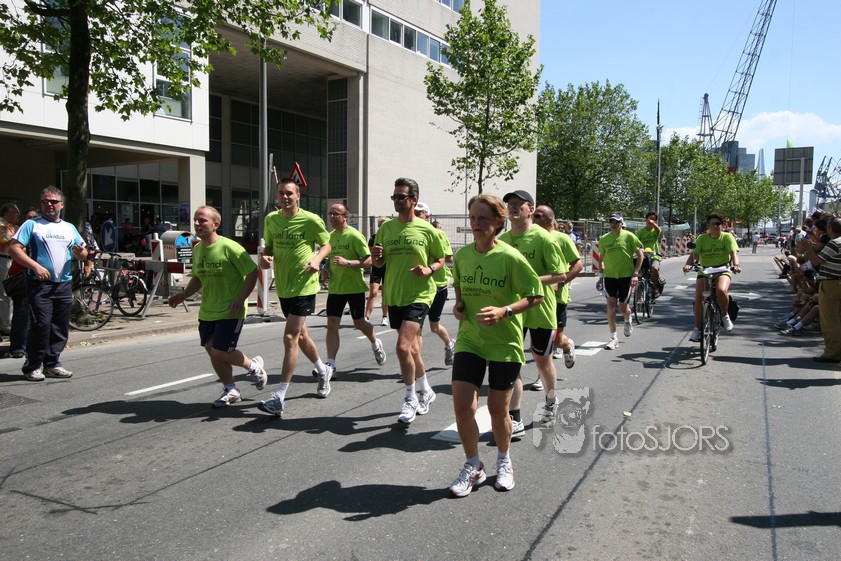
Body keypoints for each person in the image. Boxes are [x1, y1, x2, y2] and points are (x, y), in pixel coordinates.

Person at [448, 194, 543, 497]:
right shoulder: (463, 256)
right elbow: (459, 287)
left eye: (483, 218)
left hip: (504, 343)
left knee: (497, 410)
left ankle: (504, 460)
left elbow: (536, 295)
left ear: (498, 222)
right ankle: (473, 465)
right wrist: (459, 306)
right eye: (473, 218)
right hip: (470, 339)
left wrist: (505, 311)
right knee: (463, 406)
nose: (476, 223)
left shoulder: (510, 257)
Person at [167, 206, 268, 406]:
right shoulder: (197, 249)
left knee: (221, 351)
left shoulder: (229, 247)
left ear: (216, 224)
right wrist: (183, 295)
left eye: (202, 220)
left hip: (231, 309)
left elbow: (252, 272)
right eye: (195, 220)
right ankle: (231, 390)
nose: (197, 224)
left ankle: (254, 366)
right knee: (211, 349)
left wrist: (241, 298)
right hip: (208, 310)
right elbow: (198, 277)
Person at [371, 177, 445, 424]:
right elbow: (379, 263)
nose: (396, 201)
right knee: (412, 350)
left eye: (401, 197)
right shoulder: (386, 229)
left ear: (413, 200)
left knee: (403, 348)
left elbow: (441, 259)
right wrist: (376, 256)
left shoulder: (427, 230)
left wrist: (429, 269)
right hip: (395, 294)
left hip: (420, 294)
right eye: (394, 197)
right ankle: (426, 390)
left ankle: (410, 398)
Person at [257, 178, 333, 417]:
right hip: (284, 286)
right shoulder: (271, 219)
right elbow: (269, 247)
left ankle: (279, 396)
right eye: (281, 193)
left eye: (289, 193)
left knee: (290, 336)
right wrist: (265, 258)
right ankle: (323, 371)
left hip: (304, 285)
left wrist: (317, 259)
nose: (285, 197)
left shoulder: (310, 220)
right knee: (301, 336)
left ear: (298, 196)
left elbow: (327, 244)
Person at [499, 190, 567, 436]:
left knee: (542, 361)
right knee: (512, 362)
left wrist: (530, 281)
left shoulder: (543, 238)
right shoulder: (503, 240)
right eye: (510, 204)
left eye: (518, 204)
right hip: (514, 310)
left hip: (540, 309)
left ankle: (551, 401)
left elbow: (560, 274)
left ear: (530, 209)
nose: (513, 207)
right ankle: (514, 416)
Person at [8, 187, 87, 381]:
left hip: (63, 284)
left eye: (53, 201)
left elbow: (83, 252)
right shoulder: (32, 225)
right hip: (39, 284)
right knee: (41, 324)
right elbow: (14, 249)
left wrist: (81, 254)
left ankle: (52, 364)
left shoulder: (69, 227)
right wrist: (35, 266)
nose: (49, 204)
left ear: (62, 204)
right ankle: (33, 365)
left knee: (60, 326)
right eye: (45, 201)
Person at [324, 203, 387, 373]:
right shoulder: (329, 237)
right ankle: (331, 364)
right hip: (336, 288)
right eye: (330, 214)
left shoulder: (355, 236)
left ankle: (375, 343)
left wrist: (348, 263)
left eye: (336, 214)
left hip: (354, 288)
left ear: (345, 216)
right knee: (332, 324)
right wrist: (326, 269)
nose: (332, 217)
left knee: (359, 322)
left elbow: (369, 260)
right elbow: (330, 259)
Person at [534, 204, 582, 366]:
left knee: (557, 339)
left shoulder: (562, 238)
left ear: (549, 219)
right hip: (534, 296)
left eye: (537, 216)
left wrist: (561, 282)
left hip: (557, 297)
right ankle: (542, 373)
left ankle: (567, 346)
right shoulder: (530, 237)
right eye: (533, 216)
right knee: (538, 340)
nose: (533, 219)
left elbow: (578, 265)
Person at [682, 212, 741, 342]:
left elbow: (734, 253)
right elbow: (694, 254)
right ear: (708, 226)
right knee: (699, 297)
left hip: (722, 269)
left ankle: (725, 316)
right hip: (705, 270)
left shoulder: (727, 237)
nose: (715, 226)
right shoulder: (702, 239)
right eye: (712, 224)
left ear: (722, 225)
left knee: (721, 290)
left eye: (717, 224)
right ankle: (698, 329)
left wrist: (736, 265)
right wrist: (688, 265)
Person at [413, 202, 456, 365]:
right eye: (415, 213)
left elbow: (448, 258)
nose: (417, 216)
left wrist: (432, 257)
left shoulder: (437, 234)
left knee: (434, 326)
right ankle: (417, 366)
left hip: (438, 285)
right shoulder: (411, 233)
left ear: (427, 216)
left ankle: (449, 344)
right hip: (420, 287)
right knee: (417, 327)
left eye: (420, 213)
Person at [796, 216, 841, 362]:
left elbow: (816, 261)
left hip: (832, 284)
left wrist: (808, 248)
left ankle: (832, 353)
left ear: (830, 229)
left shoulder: (835, 243)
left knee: (830, 321)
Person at [598, 212, 644, 350]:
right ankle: (613, 338)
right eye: (611, 221)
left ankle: (628, 319)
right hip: (610, 277)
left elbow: (640, 255)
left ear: (621, 223)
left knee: (624, 308)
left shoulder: (629, 236)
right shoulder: (604, 239)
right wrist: (601, 276)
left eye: (616, 222)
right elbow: (601, 258)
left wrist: (635, 274)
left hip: (626, 276)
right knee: (610, 306)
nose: (613, 224)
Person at [0, 203, 21, 336]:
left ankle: (10, 321)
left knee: (12, 292)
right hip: (3, 260)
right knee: (4, 293)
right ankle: (5, 324)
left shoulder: (14, 227)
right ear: (6, 214)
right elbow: (8, 241)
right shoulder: (2, 225)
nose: (18, 216)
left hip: (13, 260)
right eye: (15, 213)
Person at [366, 216, 389, 326]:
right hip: (376, 267)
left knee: (385, 293)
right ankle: (366, 317)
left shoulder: (390, 238)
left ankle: (384, 317)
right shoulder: (374, 238)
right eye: (382, 224)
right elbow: (371, 253)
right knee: (373, 292)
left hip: (387, 268)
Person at [635, 211, 665, 295]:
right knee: (638, 273)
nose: (650, 220)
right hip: (643, 256)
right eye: (649, 218)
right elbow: (635, 243)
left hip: (654, 256)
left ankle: (655, 288)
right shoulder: (640, 232)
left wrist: (653, 224)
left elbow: (658, 230)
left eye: (653, 219)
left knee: (654, 268)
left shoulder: (655, 231)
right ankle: (639, 295)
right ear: (646, 219)